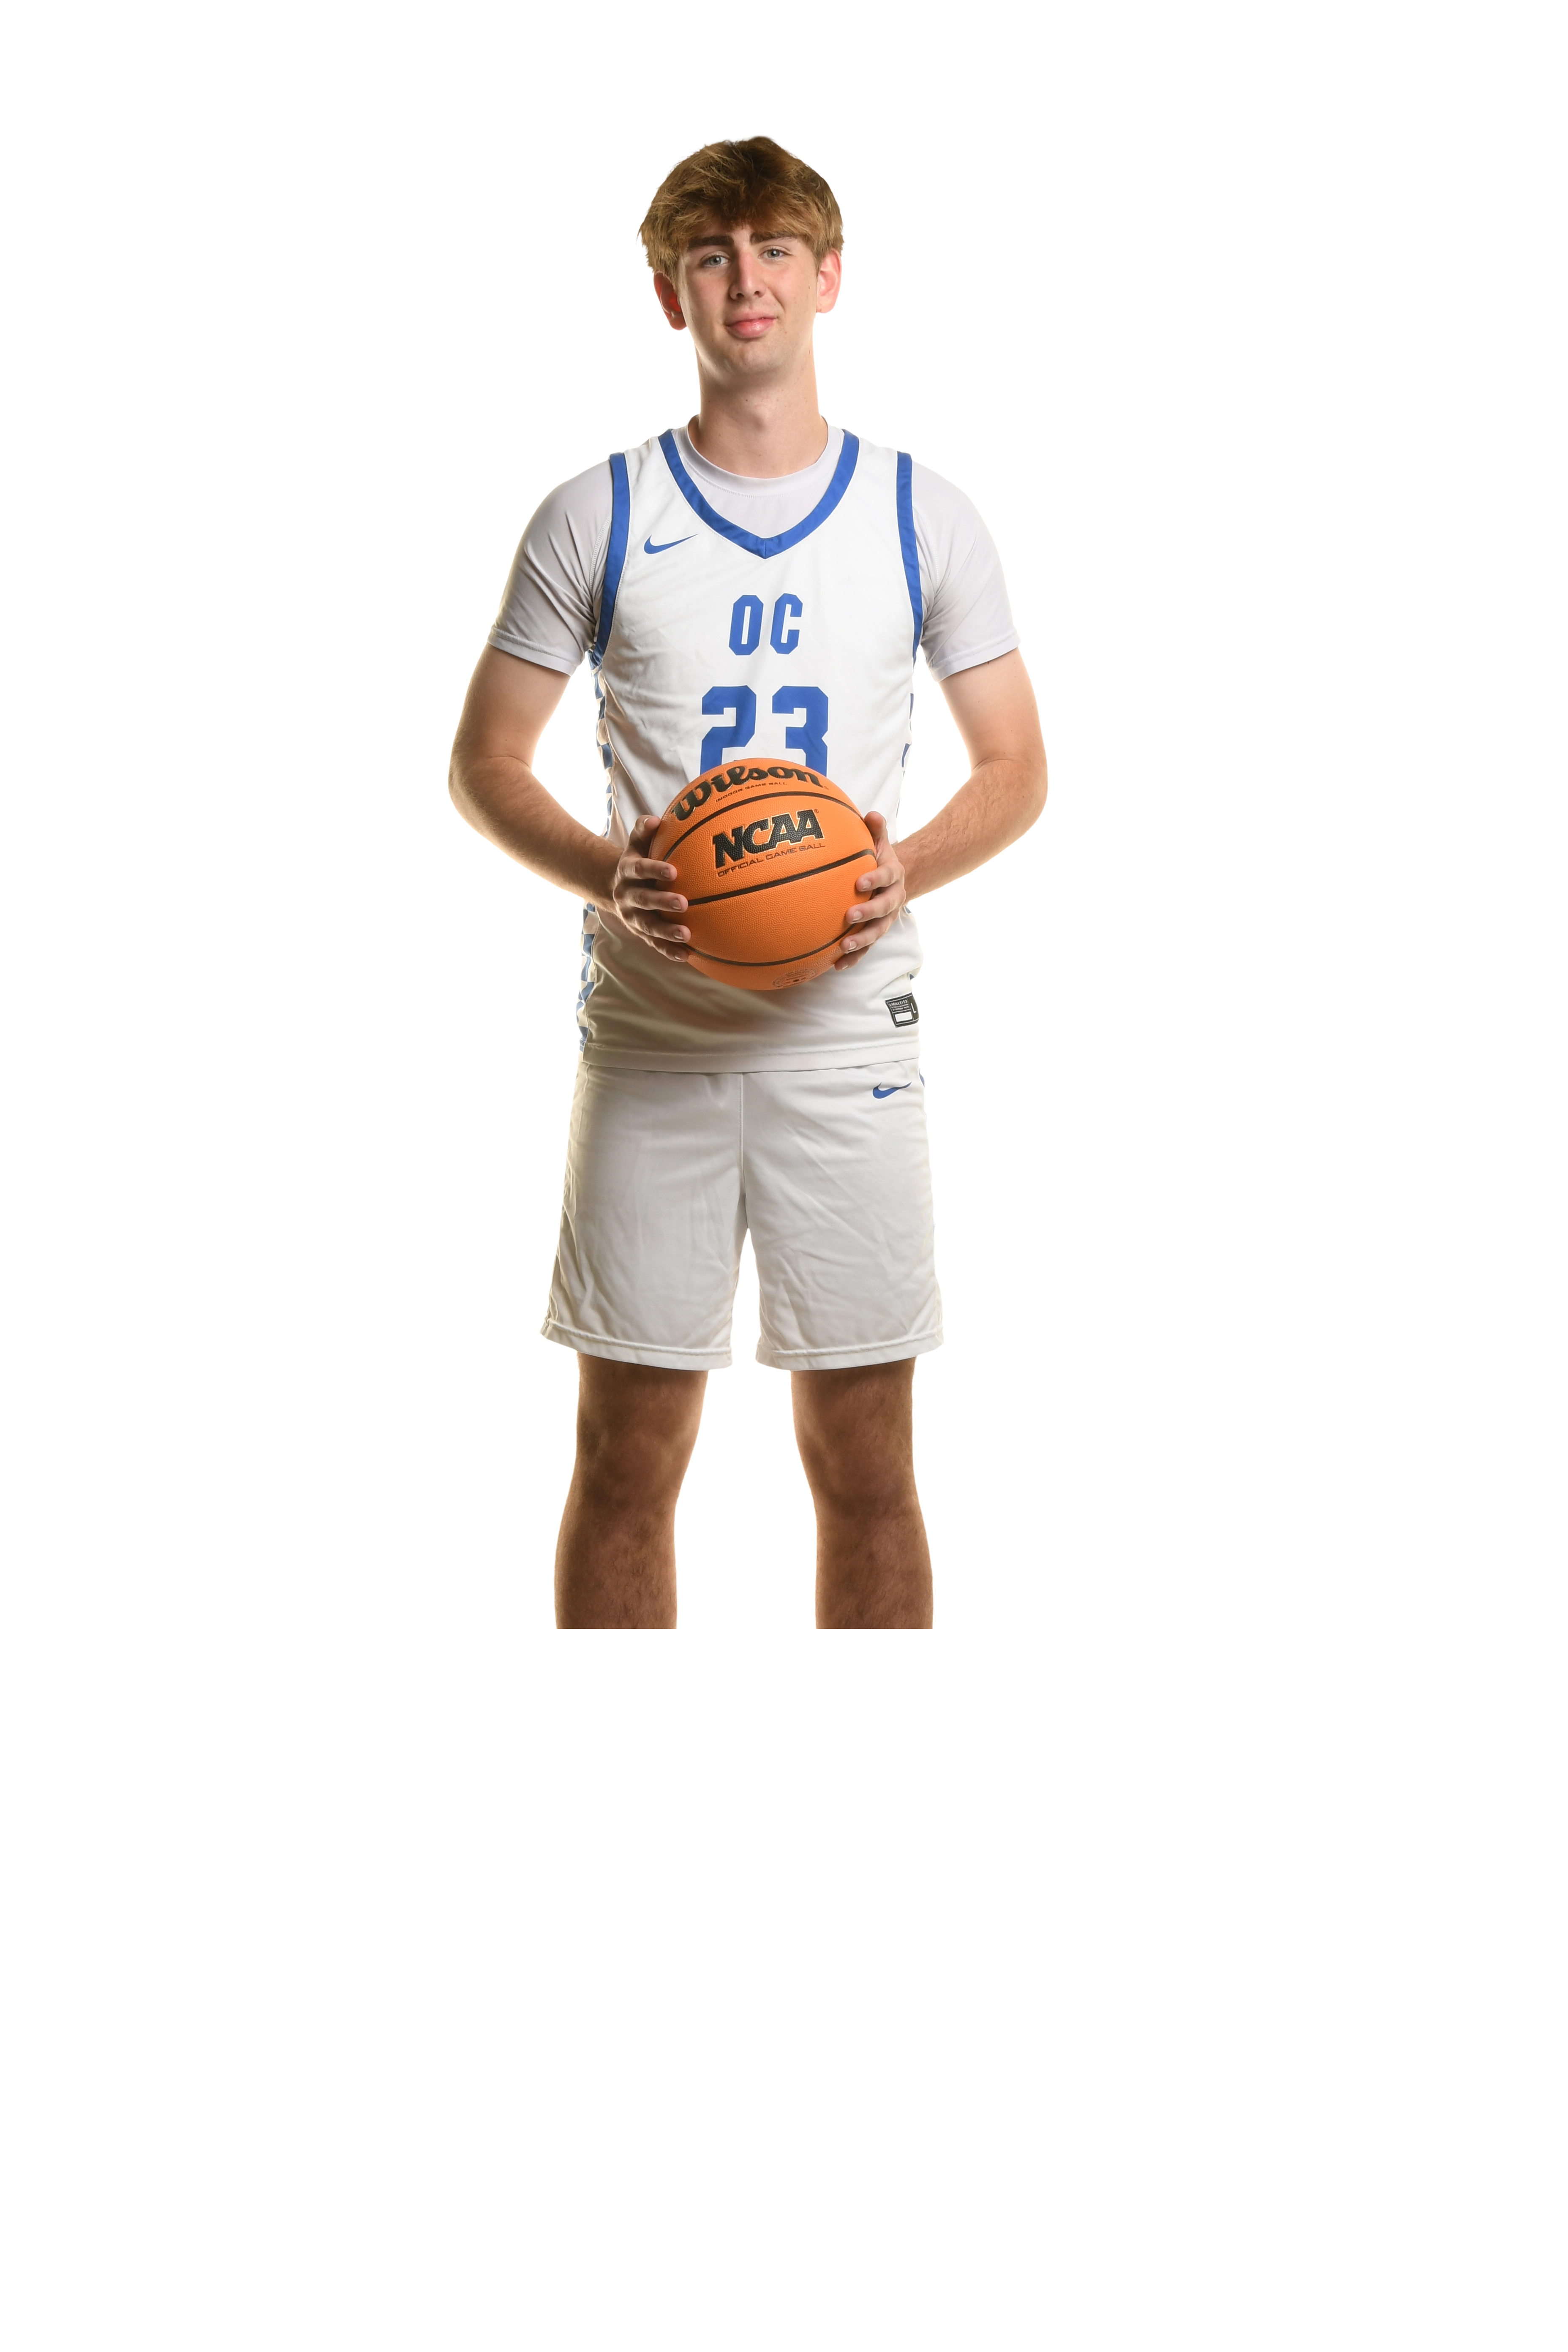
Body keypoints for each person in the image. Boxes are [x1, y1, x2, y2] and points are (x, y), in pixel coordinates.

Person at [449, 135, 1048, 1630]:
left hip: (847, 1044)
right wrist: (609, 874)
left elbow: (1018, 767)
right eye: (710, 257)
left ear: (829, 278)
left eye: (776, 249)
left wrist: (902, 867)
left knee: (867, 1461)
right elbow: (486, 762)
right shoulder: (595, 513)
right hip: (653, 1042)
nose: (746, 282)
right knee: (626, 1456)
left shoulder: (921, 512)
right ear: (672, 296)